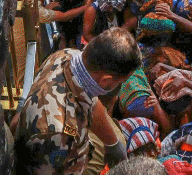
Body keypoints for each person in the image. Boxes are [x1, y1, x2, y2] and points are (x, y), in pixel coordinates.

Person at [15, 28, 142, 175]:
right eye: (120, 82)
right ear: (106, 80)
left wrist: (112, 144)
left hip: (61, 142)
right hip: (50, 155)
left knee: (117, 137)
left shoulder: (68, 56)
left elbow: (91, 103)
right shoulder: (58, 133)